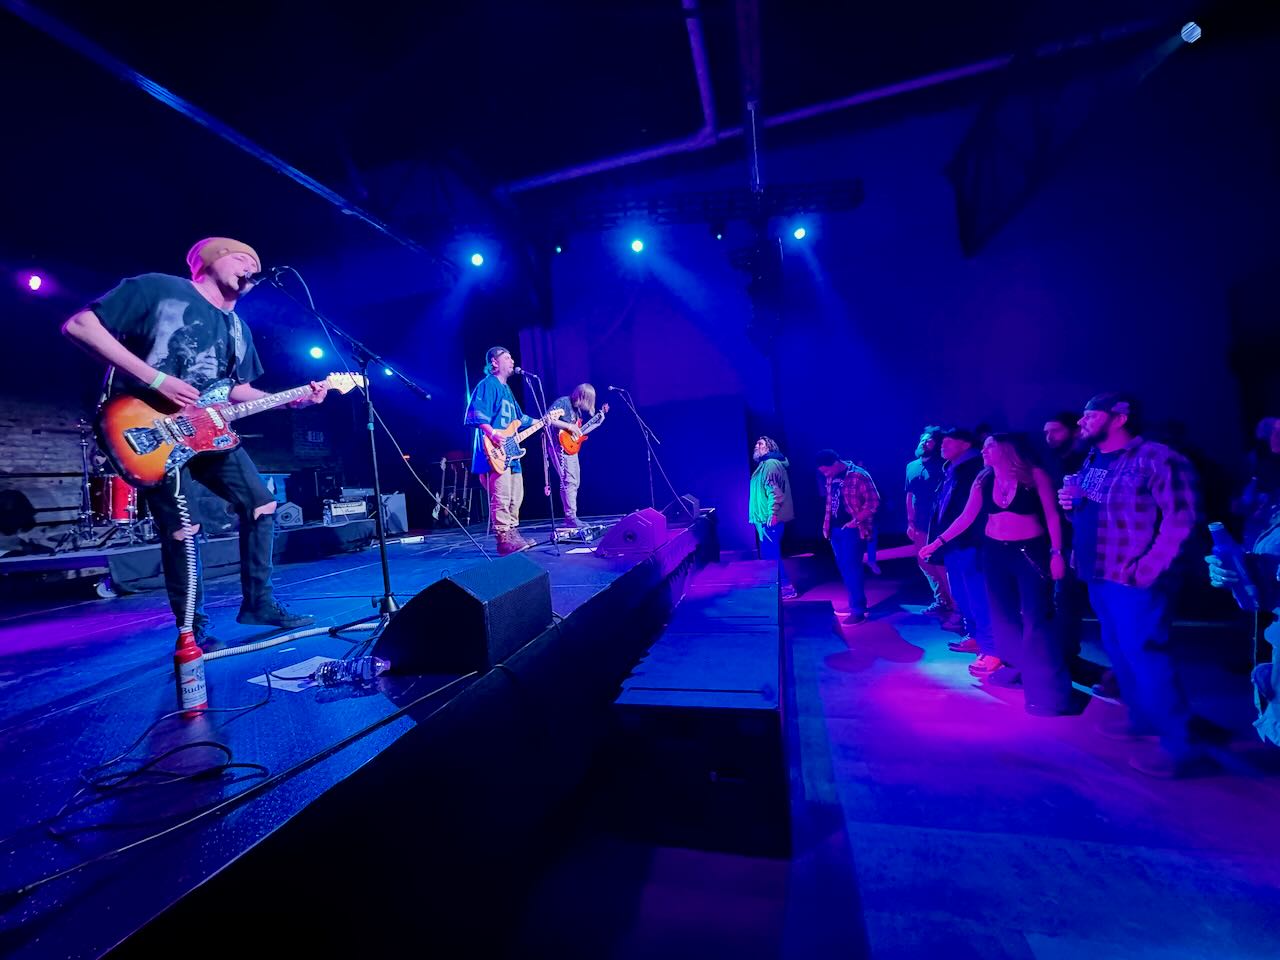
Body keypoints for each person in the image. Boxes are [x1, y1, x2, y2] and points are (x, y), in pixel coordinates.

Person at [62, 237, 328, 644]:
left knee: (262, 504)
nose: (250, 268)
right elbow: (80, 326)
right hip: (148, 430)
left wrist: (292, 402)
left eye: (254, 263)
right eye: (241, 259)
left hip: (209, 430)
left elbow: (235, 390)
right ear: (210, 262)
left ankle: (259, 604)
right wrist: (156, 378)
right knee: (185, 528)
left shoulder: (239, 329)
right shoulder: (157, 288)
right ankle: (192, 631)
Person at [1059, 392, 1201, 777]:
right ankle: (1142, 718)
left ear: (1119, 417)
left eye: (1090, 414)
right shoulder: (1093, 459)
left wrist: (1150, 567)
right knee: (1119, 650)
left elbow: (1182, 520)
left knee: (1146, 653)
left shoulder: (1159, 458)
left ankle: (1179, 747)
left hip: (1133, 576)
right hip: (1098, 571)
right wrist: (1073, 507)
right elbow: (1093, 515)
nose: (1082, 422)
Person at [922, 434, 1072, 715]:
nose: (985, 450)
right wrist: (937, 542)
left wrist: (1057, 553)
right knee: (1003, 617)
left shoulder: (1033, 475)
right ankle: (1017, 668)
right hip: (995, 554)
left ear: (1008, 449)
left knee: (1036, 617)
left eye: (990, 446)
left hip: (1029, 553)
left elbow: (1052, 516)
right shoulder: (983, 478)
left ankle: (1047, 688)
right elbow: (966, 517)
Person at [465, 346, 576, 555]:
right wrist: (493, 433)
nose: (512, 360)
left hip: (511, 450)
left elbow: (520, 419)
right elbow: (477, 413)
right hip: (494, 449)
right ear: (494, 363)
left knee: (516, 493)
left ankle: (513, 534)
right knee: (502, 494)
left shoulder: (507, 390)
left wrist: (543, 421)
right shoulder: (487, 385)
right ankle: (502, 537)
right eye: (507, 357)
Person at [927, 428, 995, 660]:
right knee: (962, 592)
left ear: (965, 444)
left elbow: (969, 513)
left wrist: (941, 540)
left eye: (948, 441)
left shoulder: (976, 469)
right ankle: (975, 636)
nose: (942, 446)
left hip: (969, 542)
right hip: (953, 542)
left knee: (977, 593)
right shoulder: (952, 469)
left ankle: (988, 646)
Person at [817, 450, 880, 625]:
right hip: (835, 530)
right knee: (844, 568)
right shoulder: (831, 477)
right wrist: (826, 525)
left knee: (852, 568)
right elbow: (830, 503)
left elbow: (874, 502)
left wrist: (856, 520)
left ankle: (858, 610)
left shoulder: (859, 475)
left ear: (836, 462)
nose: (825, 475)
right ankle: (856, 603)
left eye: (826, 471)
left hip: (853, 529)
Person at [905, 426, 955, 617]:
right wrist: (910, 521)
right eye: (922, 439)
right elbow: (909, 495)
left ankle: (957, 608)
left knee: (941, 565)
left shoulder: (944, 464)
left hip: (938, 523)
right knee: (924, 563)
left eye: (929, 440)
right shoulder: (911, 466)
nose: (923, 442)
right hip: (919, 523)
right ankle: (941, 600)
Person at [749, 436, 796, 599]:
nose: (757, 446)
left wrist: (772, 514)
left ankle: (786, 587)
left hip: (769, 518)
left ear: (769, 447)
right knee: (769, 555)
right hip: (763, 518)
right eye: (756, 443)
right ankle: (776, 587)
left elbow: (774, 492)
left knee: (772, 555)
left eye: (760, 444)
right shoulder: (764, 465)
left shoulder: (770, 464)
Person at [548, 383, 602, 527]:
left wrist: (597, 422)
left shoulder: (577, 411)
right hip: (558, 446)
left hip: (570, 448)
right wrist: (568, 426)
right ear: (582, 396)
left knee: (574, 481)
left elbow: (580, 433)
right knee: (569, 481)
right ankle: (571, 518)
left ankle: (572, 516)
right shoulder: (563, 403)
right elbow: (548, 419)